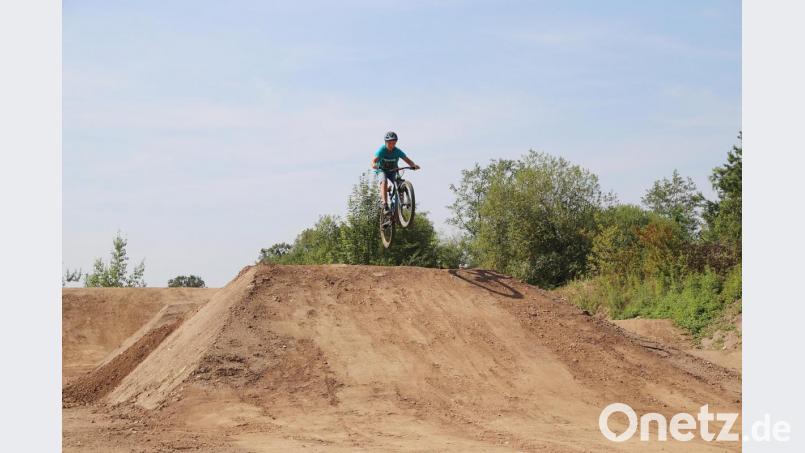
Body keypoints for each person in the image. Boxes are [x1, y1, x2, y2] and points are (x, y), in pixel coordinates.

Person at [371, 131, 420, 214]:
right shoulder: (382, 150)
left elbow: (407, 160)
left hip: (393, 170)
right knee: (384, 181)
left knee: (400, 183)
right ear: (386, 142)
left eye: (394, 142)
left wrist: (413, 165)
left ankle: (399, 204)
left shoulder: (397, 151)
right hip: (381, 170)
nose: (392, 144)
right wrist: (374, 165)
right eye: (390, 142)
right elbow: (373, 161)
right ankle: (385, 204)